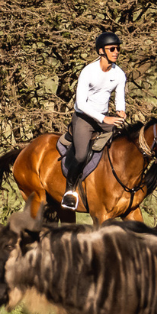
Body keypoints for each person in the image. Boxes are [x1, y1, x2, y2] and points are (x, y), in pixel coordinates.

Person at [62, 32, 127, 210]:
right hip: (84, 118)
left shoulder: (119, 74)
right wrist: (104, 118)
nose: (116, 52)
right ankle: (69, 191)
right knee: (81, 155)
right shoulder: (88, 72)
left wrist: (121, 111)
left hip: (104, 118)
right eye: (112, 49)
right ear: (101, 51)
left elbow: (119, 98)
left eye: (118, 49)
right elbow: (80, 103)